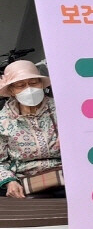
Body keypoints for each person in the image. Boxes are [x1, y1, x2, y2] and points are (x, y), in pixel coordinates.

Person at [0, 60, 61, 198]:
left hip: (64, 175)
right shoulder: (3, 120)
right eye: (20, 85)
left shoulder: (60, 109)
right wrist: (10, 181)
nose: (29, 89)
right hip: (24, 181)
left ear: (41, 84)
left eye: (33, 83)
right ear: (12, 91)